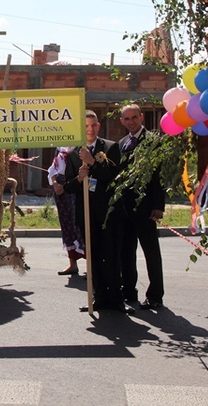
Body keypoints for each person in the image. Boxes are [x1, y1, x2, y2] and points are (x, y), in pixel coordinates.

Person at [64, 111, 132, 314]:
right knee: (93, 256)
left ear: (99, 126)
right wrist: (78, 178)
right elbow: (67, 186)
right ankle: (98, 296)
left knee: (112, 255)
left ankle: (117, 298)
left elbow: (116, 177)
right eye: (85, 126)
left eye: (93, 125)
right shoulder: (73, 153)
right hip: (87, 213)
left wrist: (93, 162)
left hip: (110, 213)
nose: (90, 130)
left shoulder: (111, 148)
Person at [116, 104, 166, 310]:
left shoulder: (154, 142)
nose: (131, 122)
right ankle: (129, 291)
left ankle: (155, 295)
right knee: (127, 253)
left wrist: (158, 206)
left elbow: (159, 177)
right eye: (126, 119)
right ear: (122, 122)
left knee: (151, 253)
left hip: (146, 209)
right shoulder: (121, 144)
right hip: (125, 210)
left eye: (134, 118)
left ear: (141, 117)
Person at [47, 147, 84, 276]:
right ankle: (73, 263)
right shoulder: (60, 147)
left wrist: (67, 185)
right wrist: (55, 183)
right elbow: (53, 167)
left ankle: (91, 266)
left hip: (74, 185)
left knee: (78, 223)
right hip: (60, 187)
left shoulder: (80, 146)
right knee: (66, 224)